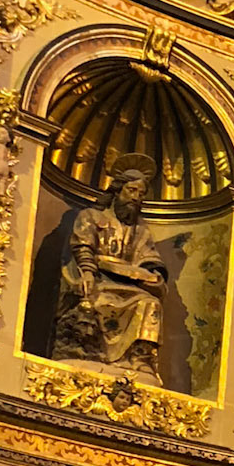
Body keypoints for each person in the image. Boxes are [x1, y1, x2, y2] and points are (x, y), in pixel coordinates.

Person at [53, 156, 168, 375]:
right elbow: (82, 247)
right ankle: (90, 353)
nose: (136, 198)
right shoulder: (91, 216)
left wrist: (151, 276)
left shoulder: (140, 232)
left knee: (150, 304)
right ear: (117, 191)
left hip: (129, 289)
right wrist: (87, 273)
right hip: (97, 280)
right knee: (96, 300)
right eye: (132, 191)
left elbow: (151, 261)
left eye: (141, 194)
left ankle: (139, 359)